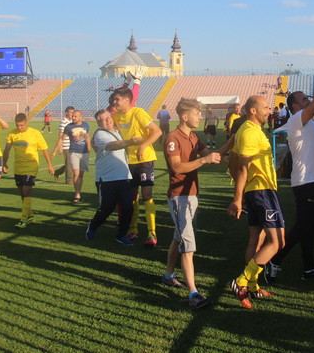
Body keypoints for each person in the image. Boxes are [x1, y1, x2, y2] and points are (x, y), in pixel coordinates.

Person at [265, 57, 314, 283]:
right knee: (303, 226)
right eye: (304, 99)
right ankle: (274, 260)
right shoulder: (297, 120)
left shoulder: (310, 123)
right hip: (306, 182)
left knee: (310, 228)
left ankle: (309, 269)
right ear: (295, 106)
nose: (308, 100)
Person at [161, 98, 221, 310]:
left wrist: (233, 144)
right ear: (185, 116)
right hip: (179, 197)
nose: (201, 117)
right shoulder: (173, 138)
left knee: (179, 237)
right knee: (188, 245)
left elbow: (211, 156)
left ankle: (168, 275)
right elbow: (177, 167)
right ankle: (193, 294)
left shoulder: (194, 136)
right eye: (197, 113)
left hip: (192, 195)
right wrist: (204, 160)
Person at [227, 95, 284, 309]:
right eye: (266, 107)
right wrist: (237, 198)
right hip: (262, 191)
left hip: (255, 191)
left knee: (256, 239)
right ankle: (242, 281)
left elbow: (232, 160)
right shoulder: (250, 132)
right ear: (253, 110)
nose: (269, 111)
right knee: (277, 242)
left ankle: (252, 286)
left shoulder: (247, 130)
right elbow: (242, 167)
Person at [111, 86, 162, 245]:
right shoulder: (116, 116)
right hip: (129, 161)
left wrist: (143, 146)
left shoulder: (138, 113)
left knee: (146, 194)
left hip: (145, 159)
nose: (114, 102)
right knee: (132, 196)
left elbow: (157, 131)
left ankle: (152, 234)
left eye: (117, 99)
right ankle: (133, 231)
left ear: (127, 100)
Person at [85, 109, 142, 245]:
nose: (108, 120)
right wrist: (130, 141)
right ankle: (93, 225)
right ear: (98, 123)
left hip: (123, 176)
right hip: (106, 178)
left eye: (108, 117)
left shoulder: (118, 131)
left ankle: (121, 235)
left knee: (128, 207)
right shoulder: (100, 134)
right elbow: (112, 146)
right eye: (103, 119)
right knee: (107, 208)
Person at [3, 113, 55, 228]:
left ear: (26, 122)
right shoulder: (12, 133)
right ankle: (30, 215)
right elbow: (6, 150)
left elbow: (44, 150)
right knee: (22, 193)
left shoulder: (35, 133)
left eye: (21, 125)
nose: (19, 127)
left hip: (31, 166)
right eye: (17, 125)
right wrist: (4, 163)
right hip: (18, 167)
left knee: (27, 191)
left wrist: (50, 165)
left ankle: (23, 219)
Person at [63, 110, 90, 203]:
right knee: (76, 174)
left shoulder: (86, 125)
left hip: (84, 152)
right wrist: (58, 148)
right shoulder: (69, 127)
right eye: (72, 116)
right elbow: (62, 137)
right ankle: (77, 195)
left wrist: (89, 146)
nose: (73, 118)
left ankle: (79, 193)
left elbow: (87, 136)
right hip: (73, 152)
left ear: (80, 117)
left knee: (81, 175)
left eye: (75, 116)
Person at [53, 106, 75, 184]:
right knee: (69, 163)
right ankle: (69, 180)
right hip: (66, 145)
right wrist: (60, 147)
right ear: (66, 113)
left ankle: (57, 172)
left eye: (73, 112)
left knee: (71, 163)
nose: (72, 114)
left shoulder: (72, 121)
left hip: (73, 145)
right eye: (71, 112)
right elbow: (60, 135)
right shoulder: (63, 122)